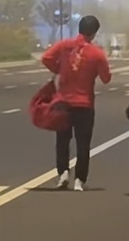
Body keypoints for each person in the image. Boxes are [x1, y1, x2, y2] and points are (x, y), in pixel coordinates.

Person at [41, 15, 111, 191]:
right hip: (84, 104)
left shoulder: (64, 45)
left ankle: (63, 173)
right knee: (83, 143)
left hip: (63, 102)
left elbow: (46, 58)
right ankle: (79, 180)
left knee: (62, 140)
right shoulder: (97, 53)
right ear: (94, 33)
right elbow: (106, 78)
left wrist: (59, 69)